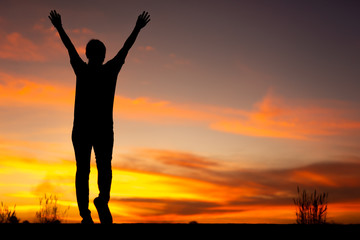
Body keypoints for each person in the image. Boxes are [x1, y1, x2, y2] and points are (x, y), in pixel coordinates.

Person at [48, 10, 150, 224]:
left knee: (83, 170)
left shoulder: (82, 70)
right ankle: (101, 201)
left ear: (88, 55)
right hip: (101, 129)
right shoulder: (109, 70)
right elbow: (125, 49)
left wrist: (59, 27)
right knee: (103, 166)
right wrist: (137, 28)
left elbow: (69, 48)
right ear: (102, 55)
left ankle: (86, 213)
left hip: (84, 130)